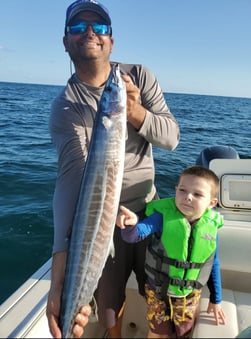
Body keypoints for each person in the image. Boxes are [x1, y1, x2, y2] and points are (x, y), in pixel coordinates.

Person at [46, 0, 180, 338]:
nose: (90, 32)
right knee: (108, 310)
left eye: (100, 27)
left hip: (148, 211)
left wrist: (135, 113)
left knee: (159, 300)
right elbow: (70, 182)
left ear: (111, 40)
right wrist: (57, 278)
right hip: (101, 224)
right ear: (66, 41)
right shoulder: (65, 107)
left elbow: (172, 138)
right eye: (78, 27)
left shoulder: (138, 76)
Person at [116, 165, 226, 338]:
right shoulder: (162, 217)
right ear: (176, 190)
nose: (188, 197)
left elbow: (213, 263)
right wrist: (130, 225)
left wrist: (216, 299)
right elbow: (135, 235)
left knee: (184, 332)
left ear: (211, 203)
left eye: (197, 194)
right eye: (182, 190)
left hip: (189, 295)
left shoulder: (211, 227)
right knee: (157, 332)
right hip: (157, 291)